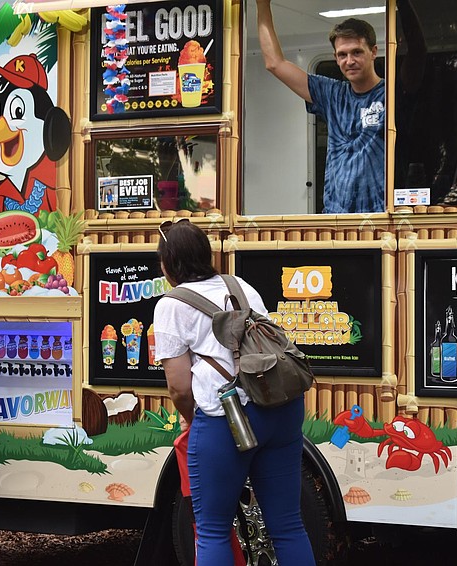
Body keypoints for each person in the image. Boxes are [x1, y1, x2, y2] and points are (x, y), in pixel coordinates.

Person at [153, 219, 315, 565]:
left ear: (167, 263)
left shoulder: (171, 305)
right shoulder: (240, 286)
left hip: (227, 420)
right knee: (287, 524)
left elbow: (179, 386)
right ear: (204, 253)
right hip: (281, 409)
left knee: (212, 529)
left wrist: (188, 420)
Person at [255, 0, 385, 214]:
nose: (349, 60)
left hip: (379, 218)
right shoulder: (332, 94)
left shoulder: (391, 94)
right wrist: (262, 5)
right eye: (342, 55)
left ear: (373, 51)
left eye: (357, 52)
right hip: (334, 219)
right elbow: (274, 63)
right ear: (335, 58)